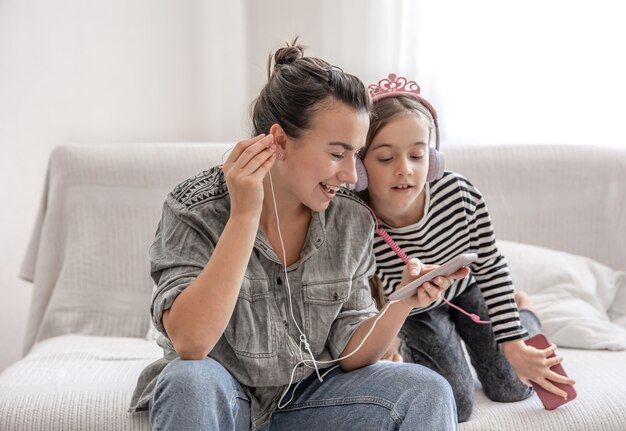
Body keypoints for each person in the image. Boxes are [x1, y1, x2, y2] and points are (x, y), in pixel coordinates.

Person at [128, 42, 467, 430]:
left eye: (355, 156)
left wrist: (402, 303)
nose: (352, 176)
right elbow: (191, 343)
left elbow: (350, 352)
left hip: (311, 399)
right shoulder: (195, 208)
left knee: (428, 390)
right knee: (187, 380)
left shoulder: (351, 221)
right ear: (280, 141)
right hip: (221, 393)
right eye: (338, 154)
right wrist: (244, 215)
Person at [355, 73, 576, 421]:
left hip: (467, 288)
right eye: (385, 159)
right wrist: (389, 342)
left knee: (512, 387)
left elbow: (490, 266)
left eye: (417, 155)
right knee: (455, 405)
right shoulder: (353, 218)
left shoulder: (459, 194)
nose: (405, 170)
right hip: (414, 311)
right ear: (360, 167)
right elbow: (365, 293)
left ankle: (524, 308)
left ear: (434, 158)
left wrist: (514, 342)